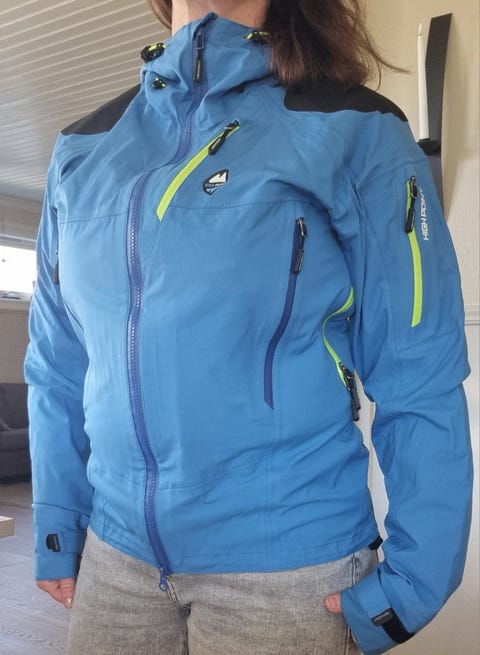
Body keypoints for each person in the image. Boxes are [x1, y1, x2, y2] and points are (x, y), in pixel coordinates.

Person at [25, 1, 473, 653]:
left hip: (287, 566)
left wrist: (414, 582)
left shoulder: (355, 127)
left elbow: (418, 369)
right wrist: (58, 520)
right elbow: (57, 364)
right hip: (114, 560)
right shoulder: (82, 148)